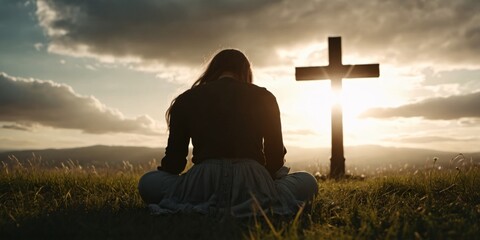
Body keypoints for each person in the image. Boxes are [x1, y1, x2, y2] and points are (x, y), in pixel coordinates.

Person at [138, 49, 317, 218]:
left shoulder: (187, 98)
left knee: (148, 182)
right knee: (308, 181)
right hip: (252, 181)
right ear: (246, 72)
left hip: (203, 181)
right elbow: (275, 156)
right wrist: (265, 184)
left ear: (213, 70)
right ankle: (254, 202)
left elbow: (174, 163)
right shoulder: (264, 97)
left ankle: (203, 201)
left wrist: (185, 184)